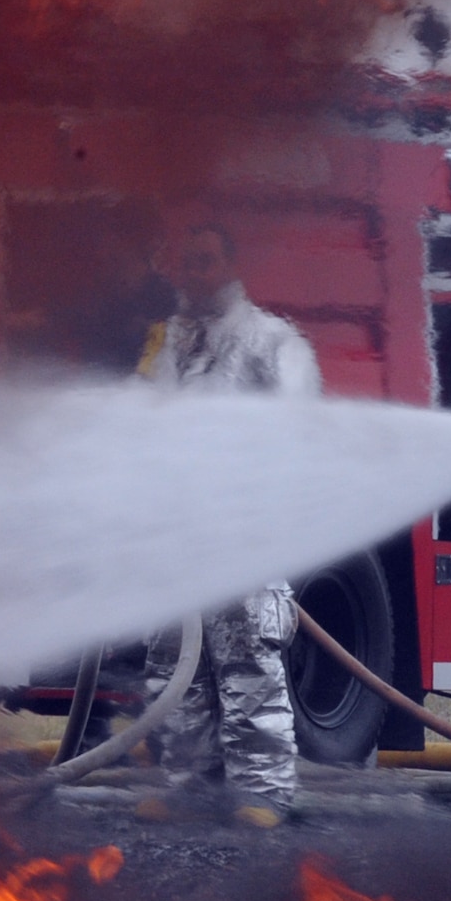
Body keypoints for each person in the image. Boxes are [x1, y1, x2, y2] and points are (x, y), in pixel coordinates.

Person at [138, 220, 320, 823]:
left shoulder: (271, 341)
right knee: (175, 666)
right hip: (174, 535)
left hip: (244, 534)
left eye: (205, 260)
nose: (194, 273)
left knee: (247, 662)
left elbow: (301, 433)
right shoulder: (163, 340)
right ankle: (186, 784)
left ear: (230, 265)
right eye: (184, 261)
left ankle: (262, 792)